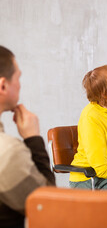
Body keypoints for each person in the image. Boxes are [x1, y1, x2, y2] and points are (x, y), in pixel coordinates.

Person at [0, 46, 55, 228]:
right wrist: (33, 139)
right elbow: (48, 208)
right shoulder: (8, 152)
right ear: (3, 85)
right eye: (18, 77)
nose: (20, 84)